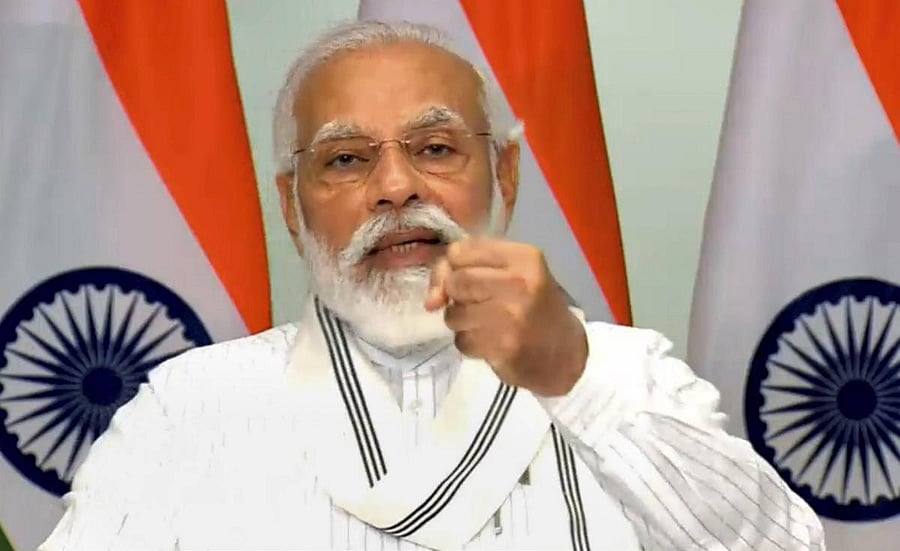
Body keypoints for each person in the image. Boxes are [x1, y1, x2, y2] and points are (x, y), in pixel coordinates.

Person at [41, 20, 825, 551]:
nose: (394, 186)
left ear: (504, 172)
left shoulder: (625, 372)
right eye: (346, 158)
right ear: (290, 203)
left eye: (436, 147)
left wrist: (575, 381)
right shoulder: (190, 406)